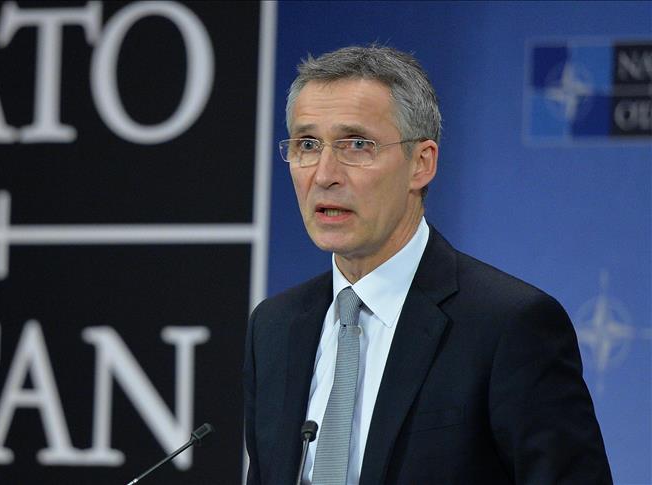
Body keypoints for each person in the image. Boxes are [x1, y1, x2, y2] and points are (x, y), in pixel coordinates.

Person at [242, 45, 611, 485]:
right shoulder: (274, 328)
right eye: (307, 144)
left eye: (356, 145)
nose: (323, 175)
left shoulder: (509, 326)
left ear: (421, 163)